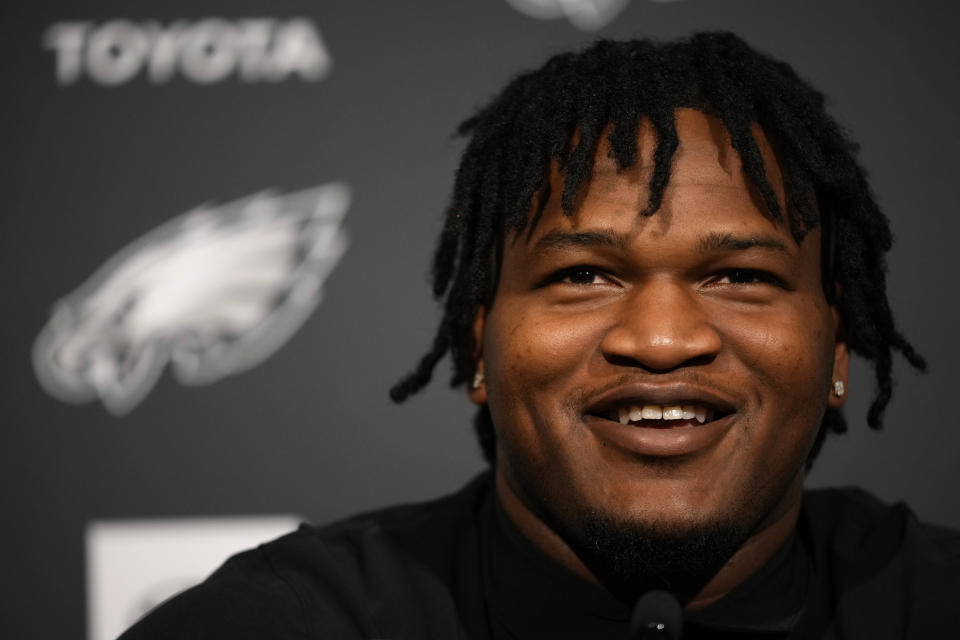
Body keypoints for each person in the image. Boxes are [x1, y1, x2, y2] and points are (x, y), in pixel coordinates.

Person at [119, 32, 959, 639]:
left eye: (739, 276)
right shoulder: (279, 625)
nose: (662, 341)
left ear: (839, 347)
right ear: (479, 343)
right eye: (582, 276)